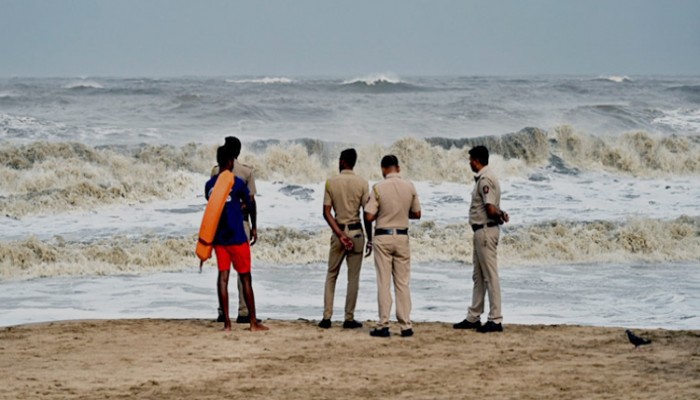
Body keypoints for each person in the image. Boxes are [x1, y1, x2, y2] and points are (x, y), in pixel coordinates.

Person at [205, 145, 267, 332]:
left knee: (223, 278)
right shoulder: (238, 183)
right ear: (231, 161)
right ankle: (253, 322)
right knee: (245, 277)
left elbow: (213, 207)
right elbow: (249, 204)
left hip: (219, 238)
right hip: (237, 237)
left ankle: (227, 324)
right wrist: (251, 221)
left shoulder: (209, 185)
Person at [453, 145, 509, 333]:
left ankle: (495, 318)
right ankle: (474, 315)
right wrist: (500, 214)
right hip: (481, 231)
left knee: (490, 276)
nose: (469, 162)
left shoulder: (485, 179)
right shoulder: (485, 177)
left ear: (477, 160)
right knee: (478, 276)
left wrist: (499, 213)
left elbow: (490, 208)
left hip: (485, 231)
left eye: (470, 159)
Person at [364, 155, 421, 338]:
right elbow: (417, 213)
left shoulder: (378, 188)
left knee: (384, 282)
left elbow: (369, 216)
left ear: (383, 169)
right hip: (402, 236)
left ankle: (384, 324)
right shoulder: (409, 186)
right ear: (398, 167)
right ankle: (406, 325)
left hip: (383, 236)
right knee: (403, 283)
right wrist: (401, 214)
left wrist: (383, 214)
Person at [318, 149, 372, 329]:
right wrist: (369, 237)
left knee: (332, 274)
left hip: (338, 231)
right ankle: (349, 317)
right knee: (353, 278)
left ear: (342, 161)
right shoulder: (363, 183)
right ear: (354, 162)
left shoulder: (331, 182)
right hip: (356, 232)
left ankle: (327, 317)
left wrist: (340, 235)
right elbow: (367, 213)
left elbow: (326, 212)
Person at [213, 136, 260, 324]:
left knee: (223, 272)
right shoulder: (246, 172)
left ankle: (222, 312)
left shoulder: (215, 172)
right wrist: (255, 226)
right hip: (241, 224)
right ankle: (243, 311)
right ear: (238, 153)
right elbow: (251, 202)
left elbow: (213, 202)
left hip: (221, 225)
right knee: (243, 271)